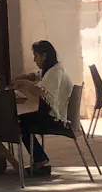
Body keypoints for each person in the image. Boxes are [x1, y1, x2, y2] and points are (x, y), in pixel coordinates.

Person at [13, 40, 74, 176]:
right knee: (22, 120)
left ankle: (39, 159)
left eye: (36, 56)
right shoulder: (53, 70)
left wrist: (24, 83)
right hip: (50, 115)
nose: (34, 60)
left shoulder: (56, 72)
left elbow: (39, 91)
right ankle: (39, 159)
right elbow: (37, 75)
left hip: (55, 119)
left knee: (19, 122)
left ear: (44, 56)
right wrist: (25, 77)